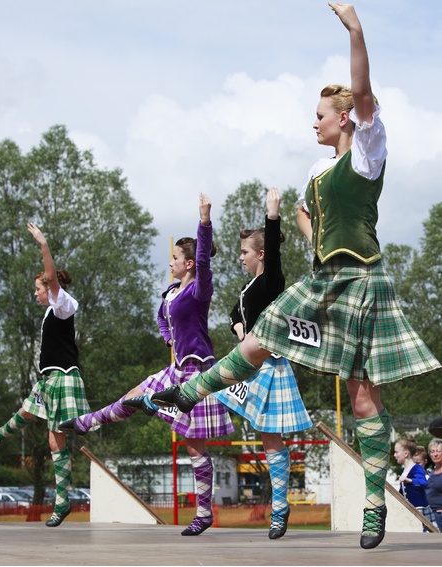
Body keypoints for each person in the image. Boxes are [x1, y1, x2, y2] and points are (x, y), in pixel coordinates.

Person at [152, 3, 441, 550]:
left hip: (361, 282)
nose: (314, 122)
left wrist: (355, 29)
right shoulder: (315, 171)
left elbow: (362, 90)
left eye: (320, 114)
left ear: (344, 117)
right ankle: (189, 394)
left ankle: (375, 504)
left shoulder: (367, 152)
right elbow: (314, 222)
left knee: (361, 398)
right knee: (263, 335)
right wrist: (304, 228)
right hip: (324, 280)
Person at [60, 193, 235, 536]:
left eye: (175, 258)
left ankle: (203, 513)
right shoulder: (171, 292)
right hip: (176, 367)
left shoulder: (199, 289)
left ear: (188, 264)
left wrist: (204, 221)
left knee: (194, 446)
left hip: (197, 372)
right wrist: (168, 337)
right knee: (131, 395)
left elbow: (203, 259)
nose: (171, 262)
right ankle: (88, 422)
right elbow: (162, 318)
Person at [211, 187, 312, 539]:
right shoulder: (249, 286)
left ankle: (280, 509)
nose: (240, 257)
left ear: (262, 254)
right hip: (247, 363)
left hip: (269, 366)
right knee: (210, 395)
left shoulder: (271, 282)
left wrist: (273, 214)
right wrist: (239, 327)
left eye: (244, 252)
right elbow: (232, 313)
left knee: (270, 440)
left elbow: (276, 259)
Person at [0, 222, 92, 528]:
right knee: (27, 411)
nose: (35, 294)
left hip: (63, 378)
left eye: (38, 288)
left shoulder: (62, 305)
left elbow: (52, 276)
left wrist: (44, 245)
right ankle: (0, 434)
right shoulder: (48, 313)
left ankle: (62, 502)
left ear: (50, 287)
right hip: (49, 379)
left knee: (56, 443)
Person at [393, 436, 434, 531]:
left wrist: (410, 481)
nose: (395, 455)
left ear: (406, 453)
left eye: (396, 452)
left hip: (419, 509)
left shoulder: (417, 468)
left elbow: (424, 482)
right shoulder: (404, 470)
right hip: (410, 509)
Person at [426, 438, 442, 532]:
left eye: (438, 451)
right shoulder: (432, 472)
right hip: (430, 515)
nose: (435, 454)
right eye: (432, 451)